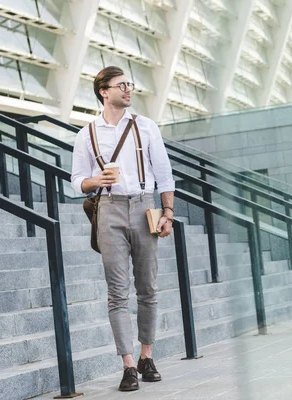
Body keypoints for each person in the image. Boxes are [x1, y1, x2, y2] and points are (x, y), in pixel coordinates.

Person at [71, 66, 175, 392]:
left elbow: (164, 173)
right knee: (117, 292)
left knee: (148, 288)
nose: (128, 90)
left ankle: (147, 356)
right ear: (104, 91)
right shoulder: (87, 133)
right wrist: (95, 180)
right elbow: (77, 182)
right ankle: (128, 365)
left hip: (145, 207)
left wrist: (167, 212)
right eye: (121, 86)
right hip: (109, 210)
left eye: (129, 85)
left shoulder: (145, 127)